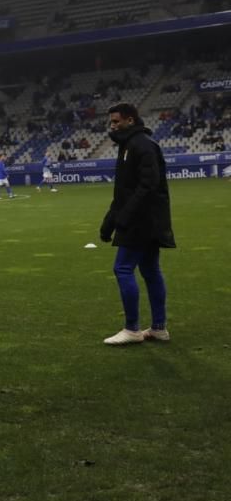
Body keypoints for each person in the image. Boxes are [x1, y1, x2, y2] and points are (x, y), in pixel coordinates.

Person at [99, 103, 175, 345]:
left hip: (142, 220)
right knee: (150, 270)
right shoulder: (129, 145)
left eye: (116, 121)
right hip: (146, 219)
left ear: (130, 120)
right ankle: (159, 328)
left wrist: (124, 217)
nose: (112, 126)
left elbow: (147, 186)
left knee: (123, 268)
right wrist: (109, 222)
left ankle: (132, 329)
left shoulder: (140, 145)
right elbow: (124, 191)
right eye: (111, 122)